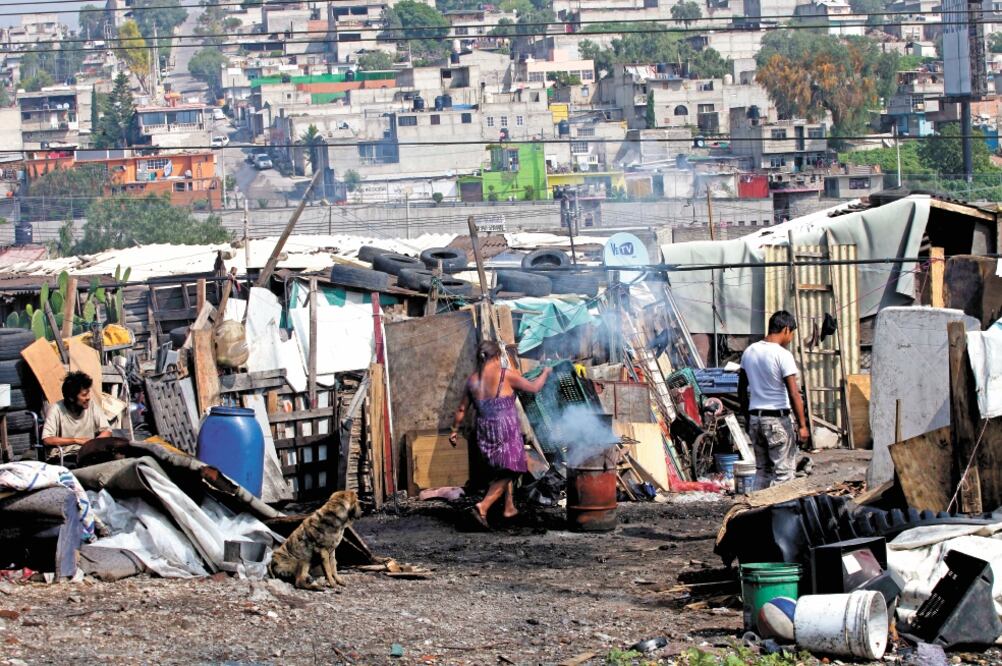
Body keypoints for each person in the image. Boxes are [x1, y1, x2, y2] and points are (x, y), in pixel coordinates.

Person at [449, 341, 552, 529]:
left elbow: (462, 408)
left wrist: (454, 431)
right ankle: (482, 507)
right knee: (513, 468)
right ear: (498, 356)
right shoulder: (506, 376)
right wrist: (545, 373)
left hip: (484, 431)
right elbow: (534, 387)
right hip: (505, 430)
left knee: (503, 467)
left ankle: (509, 508)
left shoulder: (472, 380)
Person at [738, 310, 809, 489]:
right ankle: (779, 514)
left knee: (762, 471)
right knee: (784, 474)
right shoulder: (783, 355)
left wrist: (748, 419)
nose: (791, 337)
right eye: (792, 333)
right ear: (786, 329)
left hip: (755, 418)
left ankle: (755, 513)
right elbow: (794, 393)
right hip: (777, 420)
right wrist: (802, 425)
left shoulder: (749, 352)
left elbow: (740, 390)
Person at [42, 371, 112, 454]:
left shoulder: (92, 405)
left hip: (87, 453)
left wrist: (93, 443)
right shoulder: (56, 409)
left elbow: (107, 430)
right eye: (84, 395)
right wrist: (75, 441)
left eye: (88, 393)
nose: (88, 397)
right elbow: (47, 439)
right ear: (71, 398)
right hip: (65, 456)